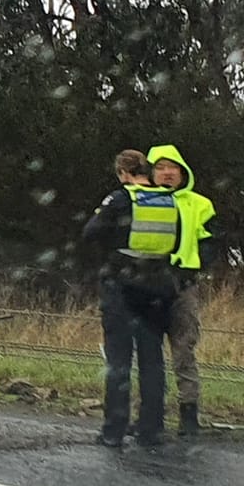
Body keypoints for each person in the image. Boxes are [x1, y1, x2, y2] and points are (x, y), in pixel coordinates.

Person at [81, 149, 180, 449]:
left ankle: (114, 429)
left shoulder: (122, 198)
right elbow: (175, 240)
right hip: (158, 285)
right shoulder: (169, 200)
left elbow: (90, 232)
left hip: (122, 284)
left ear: (123, 173)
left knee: (119, 361)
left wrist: (115, 240)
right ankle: (151, 429)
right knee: (152, 360)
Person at [145, 144, 216, 436]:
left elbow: (211, 242)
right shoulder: (141, 200)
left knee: (184, 349)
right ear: (151, 173)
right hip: (147, 286)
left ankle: (189, 414)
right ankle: (151, 415)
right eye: (160, 168)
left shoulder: (200, 204)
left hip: (182, 287)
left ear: (182, 172)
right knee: (149, 353)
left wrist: (195, 268)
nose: (166, 173)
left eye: (171, 167)